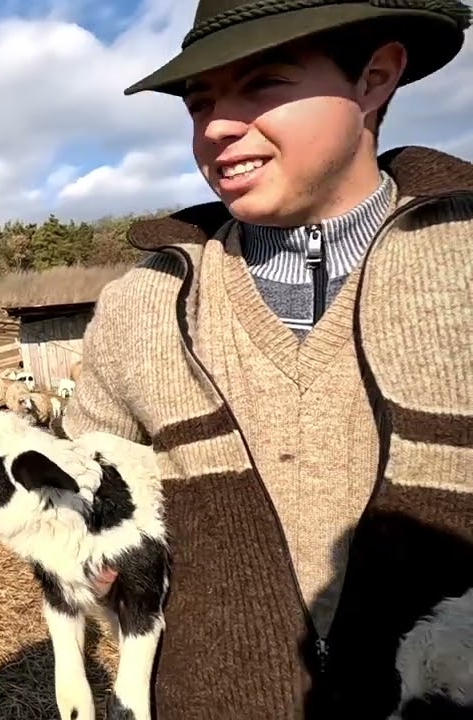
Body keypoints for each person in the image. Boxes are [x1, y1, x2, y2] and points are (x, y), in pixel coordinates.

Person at [62, 0, 473, 717]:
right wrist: (92, 558)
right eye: (200, 102)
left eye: (264, 83)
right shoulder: (141, 306)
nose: (217, 126)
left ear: (375, 78)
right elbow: (82, 487)